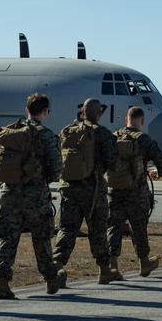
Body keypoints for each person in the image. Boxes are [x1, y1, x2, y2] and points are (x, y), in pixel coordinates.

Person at [0, 93, 62, 299]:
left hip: (9, 192)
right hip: (35, 195)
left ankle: (1, 282)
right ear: (45, 112)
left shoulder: (9, 132)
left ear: (26, 110)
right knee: (41, 238)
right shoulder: (46, 135)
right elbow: (57, 168)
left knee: (7, 238)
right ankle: (50, 279)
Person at [52, 98, 118, 285]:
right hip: (93, 189)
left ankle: (56, 266)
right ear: (99, 114)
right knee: (97, 230)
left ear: (82, 112)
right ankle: (104, 270)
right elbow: (113, 162)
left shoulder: (67, 131)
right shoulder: (103, 134)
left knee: (66, 229)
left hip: (68, 188)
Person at [105, 106, 162, 280]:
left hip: (114, 191)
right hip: (136, 192)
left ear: (126, 119)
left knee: (114, 227)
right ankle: (144, 262)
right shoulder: (144, 140)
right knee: (138, 227)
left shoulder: (113, 136)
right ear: (142, 121)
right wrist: (158, 172)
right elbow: (161, 162)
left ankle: (112, 266)